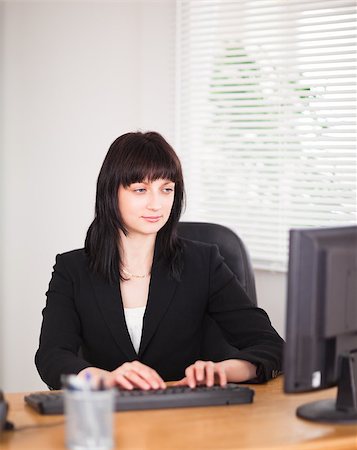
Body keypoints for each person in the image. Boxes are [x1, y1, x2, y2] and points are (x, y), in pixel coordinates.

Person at [35, 131, 284, 390]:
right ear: (111, 192)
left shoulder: (203, 262)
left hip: (186, 416)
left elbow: (272, 347)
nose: (156, 204)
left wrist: (222, 370)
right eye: (141, 189)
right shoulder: (72, 270)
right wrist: (104, 378)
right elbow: (52, 358)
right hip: (108, 417)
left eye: (166, 189)